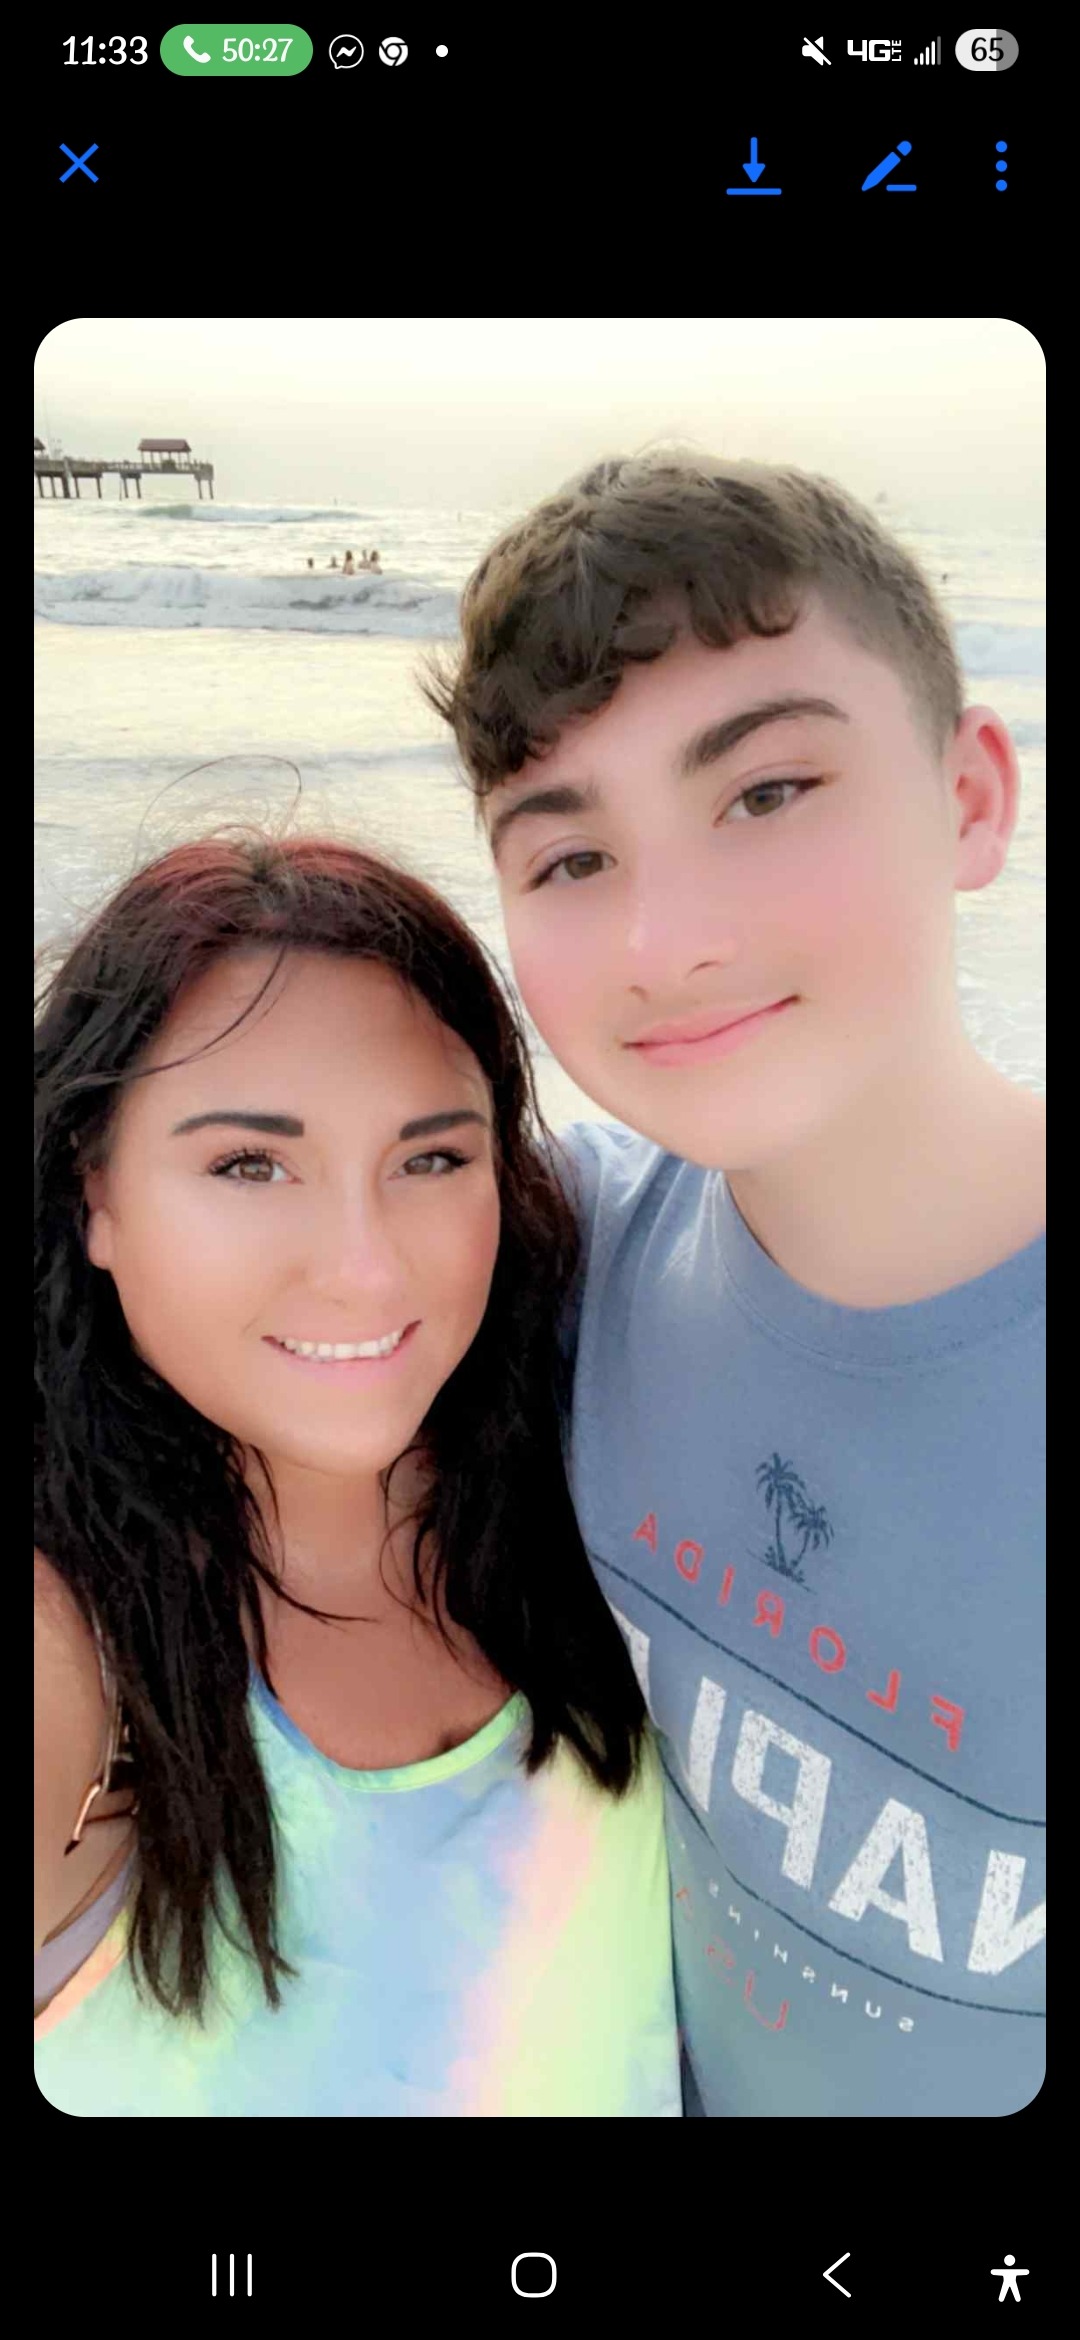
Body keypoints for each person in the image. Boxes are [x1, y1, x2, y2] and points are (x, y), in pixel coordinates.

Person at [420, 448, 1046, 2118]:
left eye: (766, 794)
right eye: (570, 859)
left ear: (971, 798)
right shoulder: (571, 1264)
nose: (666, 942)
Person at [34, 833, 680, 2116]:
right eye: (249, 1164)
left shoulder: (594, 1479)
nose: (367, 1267)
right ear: (94, 1189)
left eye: (432, 1158)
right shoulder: (70, 1652)